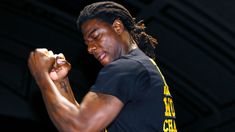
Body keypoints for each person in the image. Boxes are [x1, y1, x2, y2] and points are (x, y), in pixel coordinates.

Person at [28, 1, 177, 132]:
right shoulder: (140, 65)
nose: (90, 49)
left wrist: (41, 75)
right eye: (87, 44)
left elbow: (78, 128)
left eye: (95, 36)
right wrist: (61, 81)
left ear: (117, 27)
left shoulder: (124, 68)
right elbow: (89, 124)